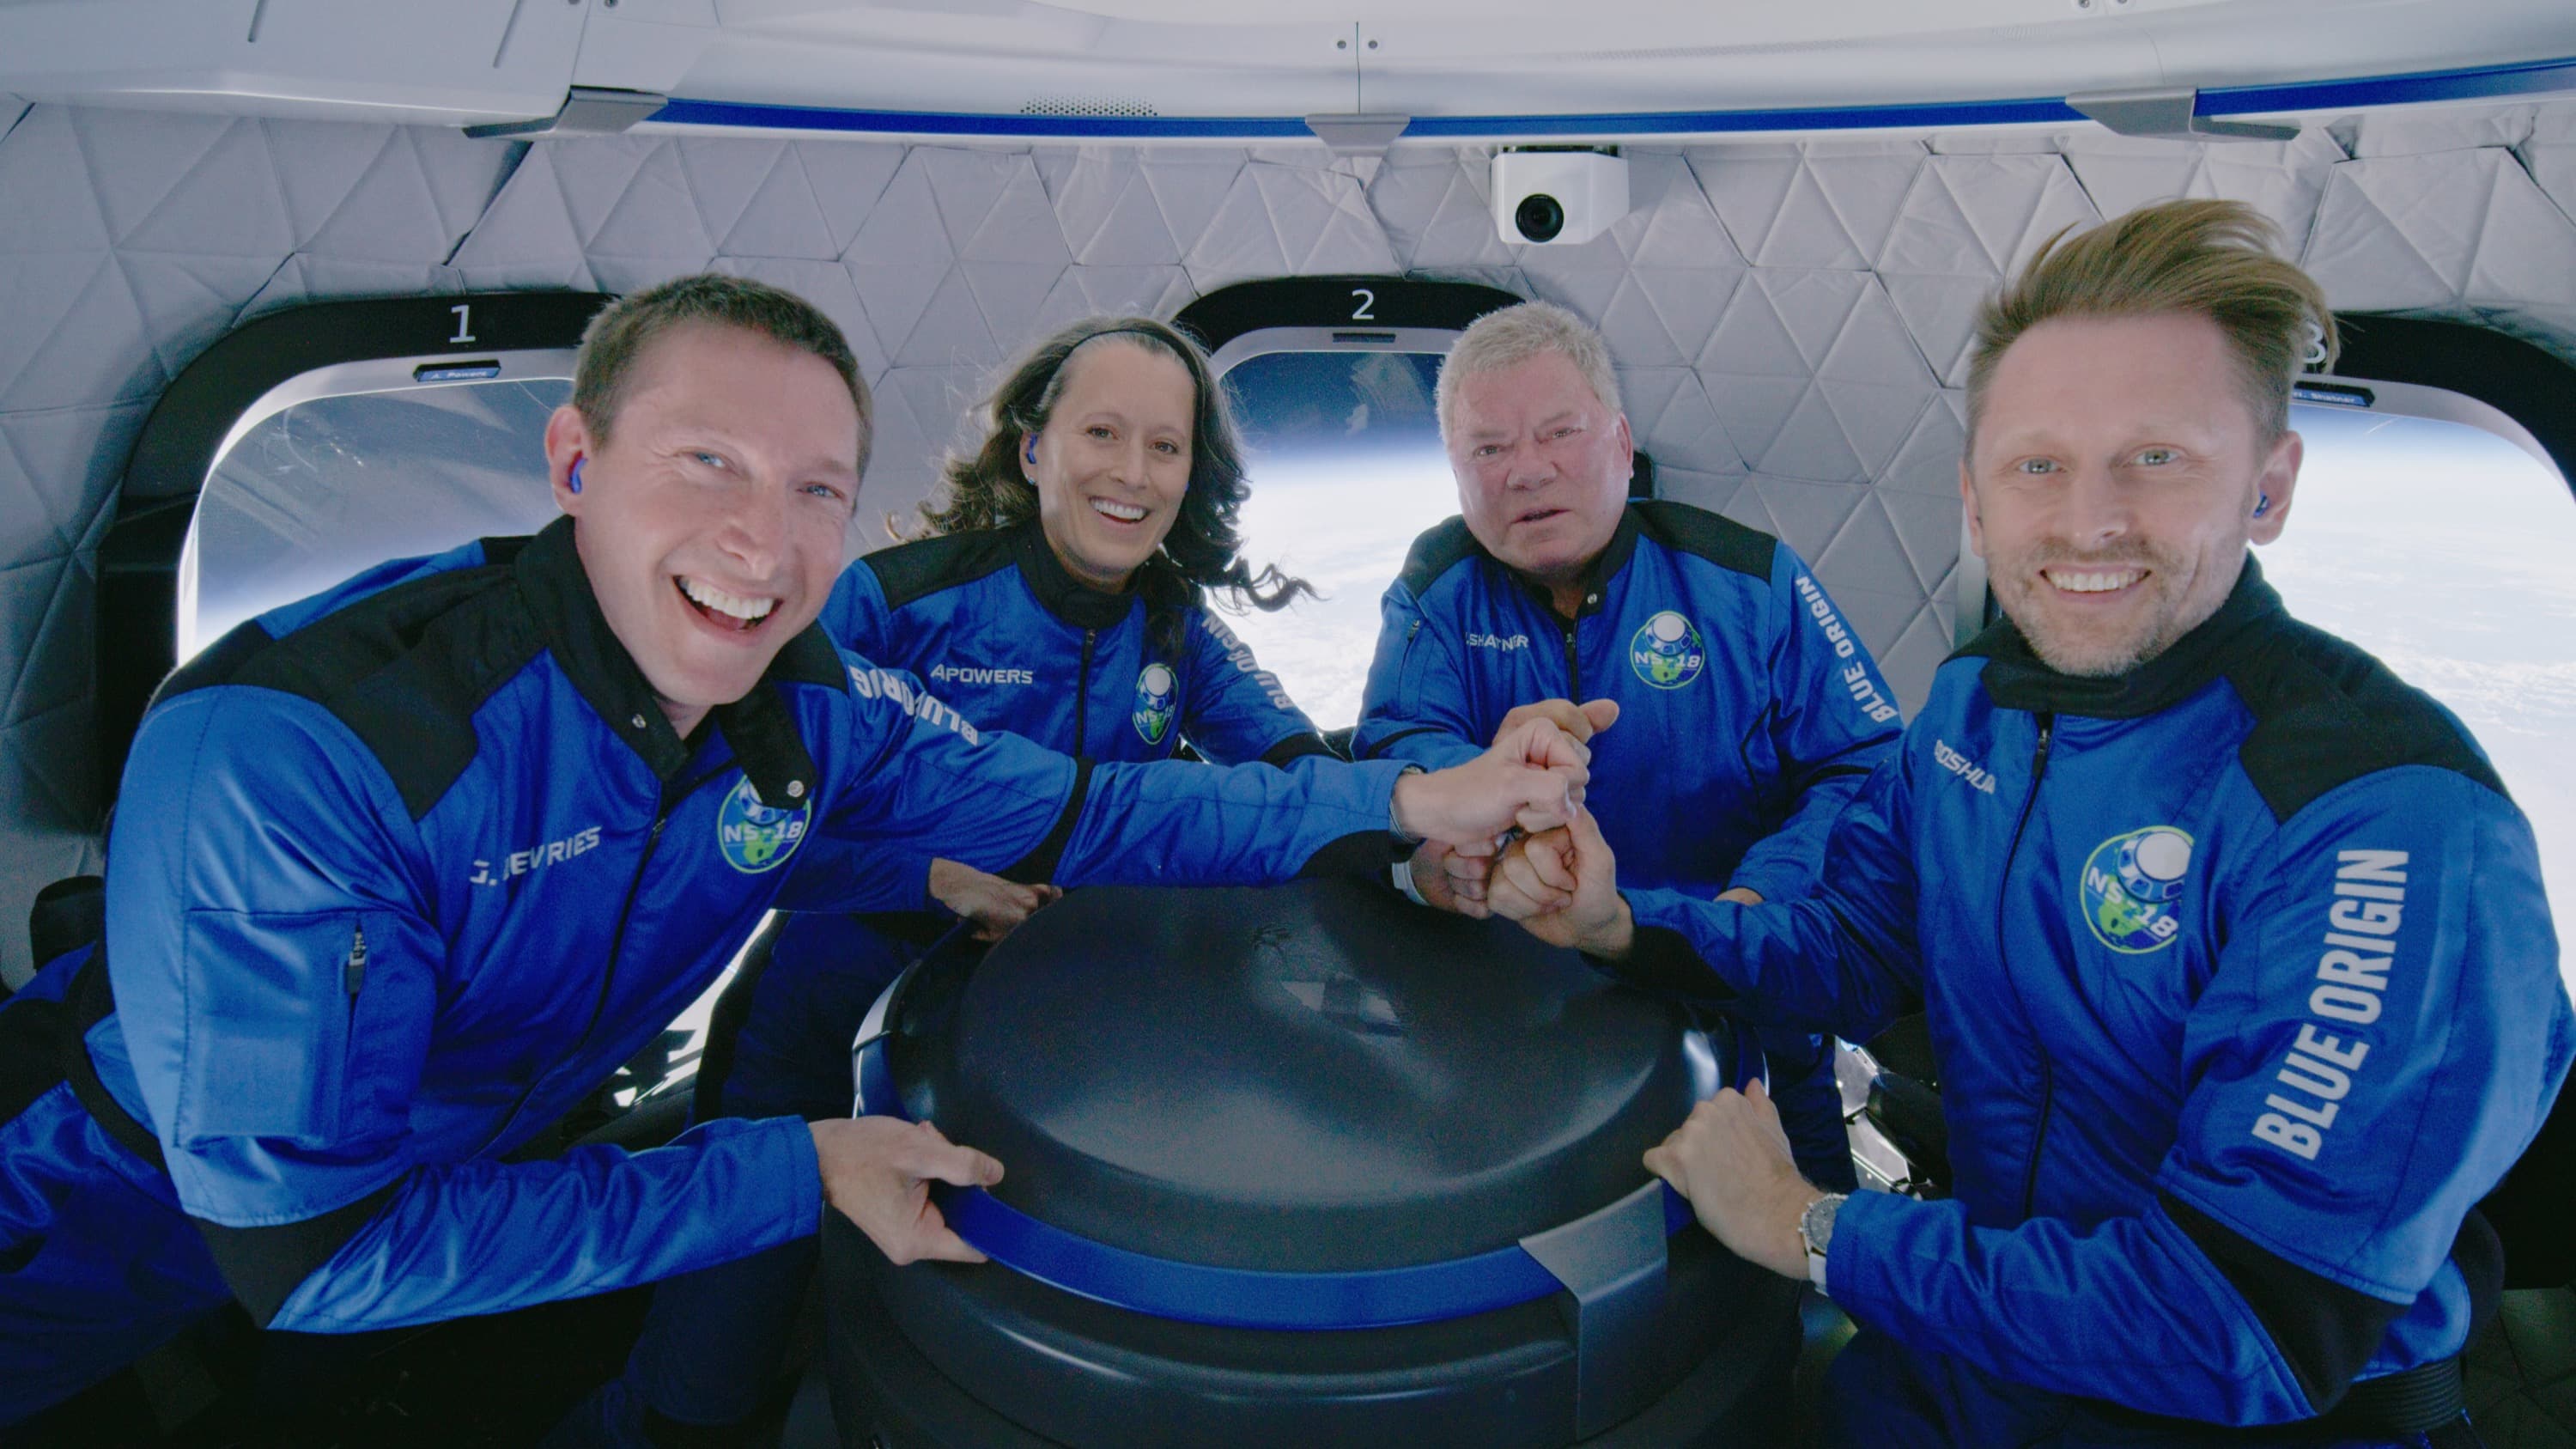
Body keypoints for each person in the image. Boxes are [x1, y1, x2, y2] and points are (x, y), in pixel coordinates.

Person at [0, 274, 1590, 1435]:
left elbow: (1096, 808)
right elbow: (320, 1249)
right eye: (709, 463)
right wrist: (801, 1163)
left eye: (815, 488)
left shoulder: (812, 709)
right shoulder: (309, 752)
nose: (765, 542)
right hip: (95, 1200)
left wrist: (1411, 807)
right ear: (573, 464)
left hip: (482, 1177)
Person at [1487, 201, 2572, 1446]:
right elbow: (1851, 946)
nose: (2087, 519)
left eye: (2158, 457)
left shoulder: (2382, 821)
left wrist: (1809, 1223)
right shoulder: (1976, 710)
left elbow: (2241, 1321)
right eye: (2036, 463)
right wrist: (1623, 924)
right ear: (1974, 496)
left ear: (2268, 489)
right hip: (1971, 1364)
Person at [592, 314, 1338, 1446]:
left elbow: (1301, 769)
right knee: (710, 1364)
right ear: (1033, 448)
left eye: (1166, 446)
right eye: (1100, 431)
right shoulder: (896, 601)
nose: (1133, 472)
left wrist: (1431, 820)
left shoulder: (1178, 631)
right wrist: (936, 872)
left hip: (1037, 1039)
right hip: (824, 1008)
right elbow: (759, 811)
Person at [1352, 299, 1901, 1190]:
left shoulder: (1750, 582)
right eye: (1488, 450)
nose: (1527, 471)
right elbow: (1394, 749)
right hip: (1522, 1013)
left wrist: (1761, 896)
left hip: (1736, 985)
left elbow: (1868, 766)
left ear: (1620, 441)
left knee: (1787, 1261)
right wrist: (1491, 785)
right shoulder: (1435, 590)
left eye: (1558, 432)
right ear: (1456, 474)